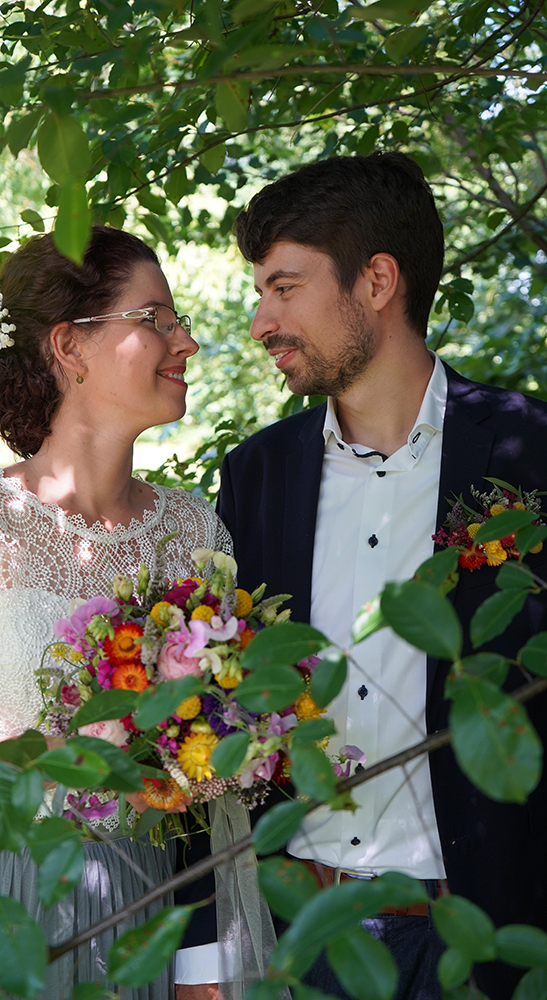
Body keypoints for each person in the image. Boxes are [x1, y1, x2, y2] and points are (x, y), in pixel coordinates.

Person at [217, 152, 547, 1000]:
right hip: (304, 943)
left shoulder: (530, 454)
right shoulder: (255, 477)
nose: (260, 322)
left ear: (375, 281)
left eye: (283, 288)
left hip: (492, 942)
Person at [0, 226, 233, 1000]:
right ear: (70, 346)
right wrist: (52, 759)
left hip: (138, 899)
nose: (186, 342)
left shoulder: (196, 535)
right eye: (156, 320)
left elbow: (210, 755)